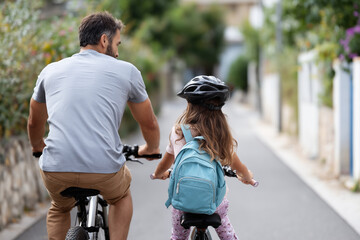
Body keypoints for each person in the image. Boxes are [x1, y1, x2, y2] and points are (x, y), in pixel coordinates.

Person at [27, 11, 160, 240]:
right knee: (120, 196)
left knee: (59, 207)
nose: (117, 53)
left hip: (56, 168)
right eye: (117, 44)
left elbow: (34, 121)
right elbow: (148, 122)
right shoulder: (127, 71)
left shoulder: (50, 71)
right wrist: (150, 148)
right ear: (104, 40)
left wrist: (38, 145)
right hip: (104, 169)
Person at [151, 75, 253, 240]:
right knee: (227, 232)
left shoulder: (177, 132)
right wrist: (247, 176)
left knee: (177, 236)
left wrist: (158, 173)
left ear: (190, 105)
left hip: (183, 204)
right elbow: (237, 164)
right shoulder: (220, 135)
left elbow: (166, 162)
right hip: (214, 204)